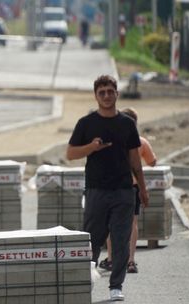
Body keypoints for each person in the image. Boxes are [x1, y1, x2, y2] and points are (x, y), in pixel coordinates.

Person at [66, 75, 149, 302]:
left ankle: (116, 285)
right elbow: (70, 153)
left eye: (110, 91)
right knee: (92, 239)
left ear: (116, 94)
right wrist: (91, 147)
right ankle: (88, 281)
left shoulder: (127, 124)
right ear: (96, 95)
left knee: (121, 239)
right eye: (101, 92)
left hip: (124, 190)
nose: (106, 95)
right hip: (96, 190)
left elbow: (135, 159)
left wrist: (142, 188)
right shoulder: (86, 123)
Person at [99, 107, 157, 274]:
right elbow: (152, 162)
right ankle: (131, 261)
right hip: (132, 186)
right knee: (132, 223)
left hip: (112, 186)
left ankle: (111, 259)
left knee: (111, 223)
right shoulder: (141, 142)